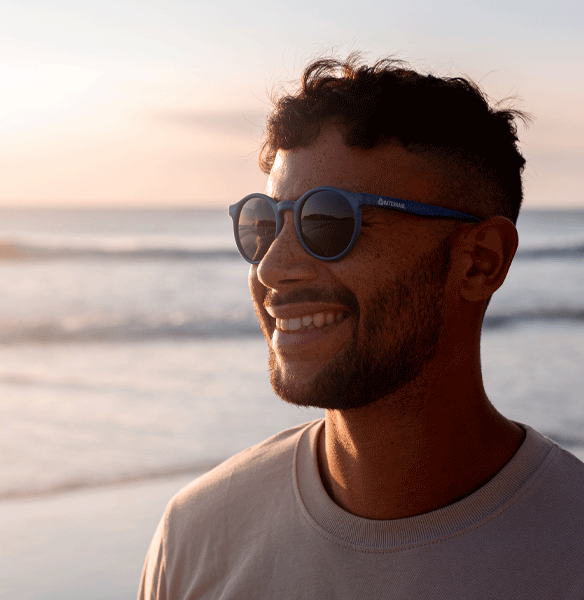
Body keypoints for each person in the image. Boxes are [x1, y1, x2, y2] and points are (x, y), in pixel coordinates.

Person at [139, 55, 584, 599]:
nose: (272, 268)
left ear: (479, 262)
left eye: (327, 222)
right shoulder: (199, 534)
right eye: (264, 223)